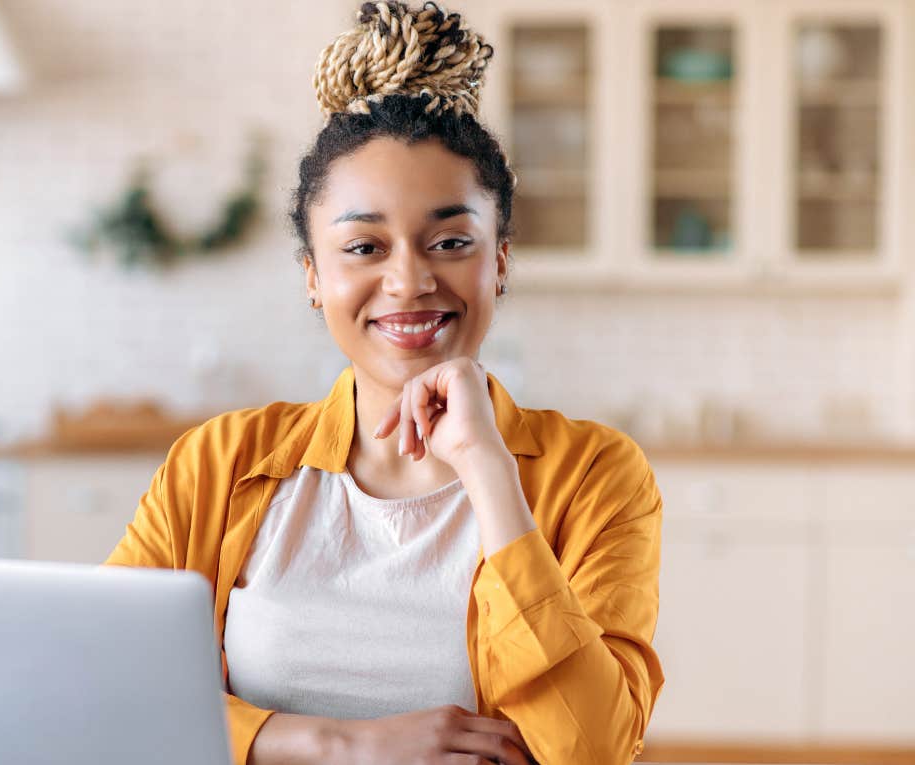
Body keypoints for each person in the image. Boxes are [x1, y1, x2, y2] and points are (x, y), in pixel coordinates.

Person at [105, 3, 664, 764]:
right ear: (313, 277)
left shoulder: (598, 475)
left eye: (451, 241)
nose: (407, 280)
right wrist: (336, 743)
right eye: (364, 245)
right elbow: (109, 692)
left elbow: (593, 746)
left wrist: (492, 477)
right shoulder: (218, 462)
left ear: (499, 260)